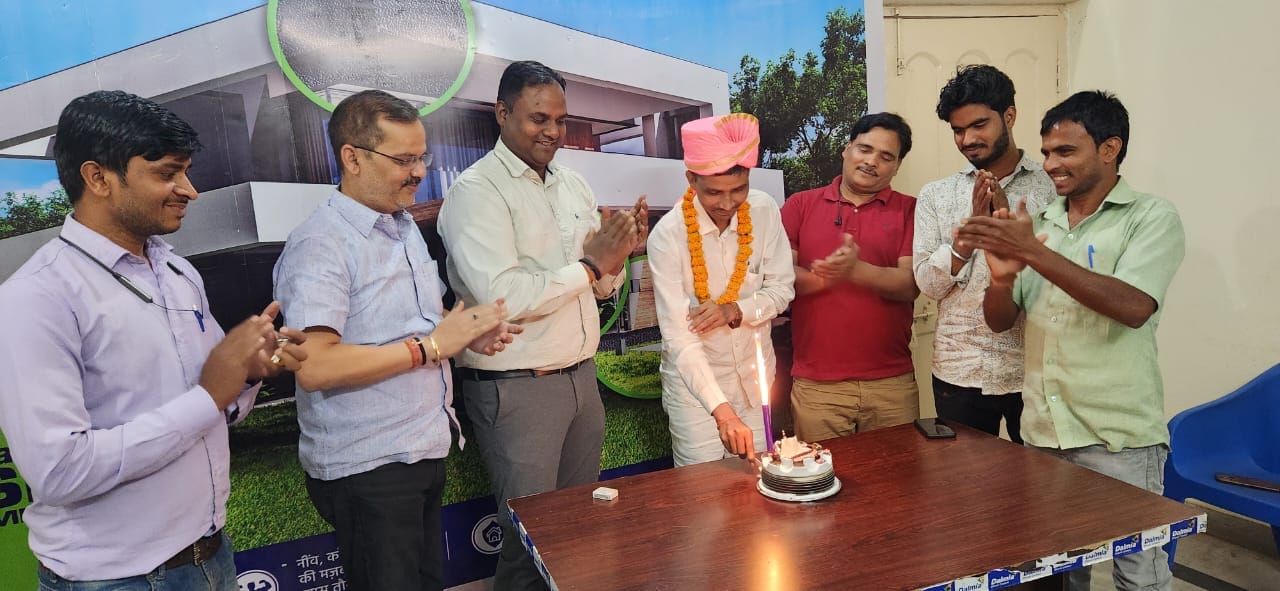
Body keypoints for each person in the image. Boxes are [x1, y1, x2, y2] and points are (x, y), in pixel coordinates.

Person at [0, 90, 306, 590]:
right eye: (168, 173)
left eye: (186, 171)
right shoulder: (37, 298)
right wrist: (210, 394)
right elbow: (58, 472)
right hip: (116, 579)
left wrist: (248, 374)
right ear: (98, 178)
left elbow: (216, 408)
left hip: (212, 556)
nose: (190, 190)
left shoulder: (177, 272)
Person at [273, 90, 519, 591]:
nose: (419, 172)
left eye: (421, 157)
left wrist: (464, 334)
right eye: (403, 160)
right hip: (369, 466)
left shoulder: (401, 226)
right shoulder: (321, 243)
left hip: (419, 448)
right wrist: (429, 349)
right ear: (352, 158)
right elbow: (315, 366)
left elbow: (414, 325)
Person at [956, 90, 1185, 591]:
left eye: (1065, 151)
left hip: (1118, 438)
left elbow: (1133, 307)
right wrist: (1001, 279)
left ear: (1109, 149)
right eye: (1046, 152)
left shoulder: (1150, 216)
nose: (1050, 164)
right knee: (1060, 575)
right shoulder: (1041, 224)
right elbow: (1000, 321)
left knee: (1139, 577)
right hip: (1042, 434)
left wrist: (1032, 255)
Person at [437, 60, 645, 590]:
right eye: (538, 119)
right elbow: (502, 298)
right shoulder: (476, 191)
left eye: (560, 119)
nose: (553, 131)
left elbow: (599, 287)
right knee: (529, 544)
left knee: (578, 532)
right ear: (502, 113)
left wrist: (615, 261)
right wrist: (592, 265)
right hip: (518, 389)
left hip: (581, 378)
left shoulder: (573, 184)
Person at [913, 65, 1056, 442]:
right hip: (959, 369)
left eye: (979, 125)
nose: (967, 139)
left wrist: (1010, 232)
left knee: (1041, 475)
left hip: (1036, 370)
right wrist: (968, 237)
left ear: (1009, 116)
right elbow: (928, 285)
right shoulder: (937, 195)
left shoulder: (1053, 187)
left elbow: (1060, 278)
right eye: (958, 130)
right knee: (965, 478)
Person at [648, 113, 795, 466]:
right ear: (691, 180)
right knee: (704, 491)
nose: (728, 204)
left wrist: (736, 310)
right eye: (714, 192)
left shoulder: (763, 211)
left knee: (759, 478)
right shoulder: (667, 236)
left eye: (738, 190)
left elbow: (782, 290)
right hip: (696, 396)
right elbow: (679, 339)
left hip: (755, 383)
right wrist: (722, 413)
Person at [781, 113, 919, 441]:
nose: (871, 161)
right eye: (864, 149)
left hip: (891, 383)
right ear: (847, 149)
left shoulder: (910, 210)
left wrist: (856, 271)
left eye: (886, 156)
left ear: (897, 166)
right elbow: (781, 276)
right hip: (817, 385)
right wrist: (824, 279)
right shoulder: (800, 204)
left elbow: (910, 284)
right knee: (819, 472)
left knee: (897, 472)